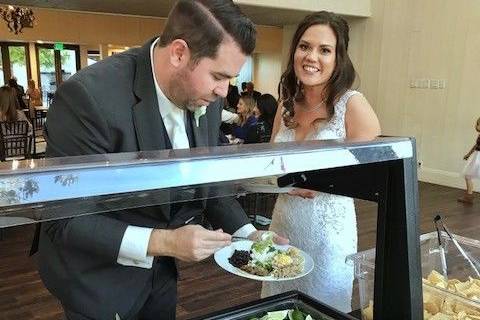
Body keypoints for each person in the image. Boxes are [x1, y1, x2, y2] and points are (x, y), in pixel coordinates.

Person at [38, 1, 286, 320]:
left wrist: (249, 234)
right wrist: (166, 241)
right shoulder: (88, 96)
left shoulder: (207, 99)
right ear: (179, 53)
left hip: (162, 275)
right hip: (96, 278)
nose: (224, 92)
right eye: (218, 76)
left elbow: (207, 179)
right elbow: (64, 218)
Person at [261, 11, 381, 313]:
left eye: (324, 50)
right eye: (304, 46)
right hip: (283, 228)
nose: (311, 56)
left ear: (339, 58)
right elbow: (268, 165)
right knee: (276, 310)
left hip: (328, 236)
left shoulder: (352, 105)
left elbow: (369, 178)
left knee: (320, 310)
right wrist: (280, 183)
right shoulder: (286, 103)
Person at [458, 116, 480, 204]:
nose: (476, 126)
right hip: (476, 156)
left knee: (468, 175)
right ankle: (469, 196)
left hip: (478, 158)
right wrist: (468, 154)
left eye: (478, 124)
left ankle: (469, 196)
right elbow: (475, 146)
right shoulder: (479, 135)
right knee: (467, 176)